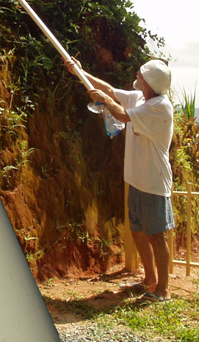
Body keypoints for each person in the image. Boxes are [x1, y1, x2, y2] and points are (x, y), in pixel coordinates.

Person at [64, 56, 174, 303]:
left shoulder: (159, 106)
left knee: (156, 235)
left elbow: (123, 115)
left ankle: (164, 290)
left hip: (154, 182)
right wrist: (81, 73)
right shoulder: (140, 97)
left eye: (142, 73)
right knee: (137, 232)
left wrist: (105, 101)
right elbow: (110, 90)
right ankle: (149, 280)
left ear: (150, 81)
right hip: (137, 179)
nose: (138, 74)